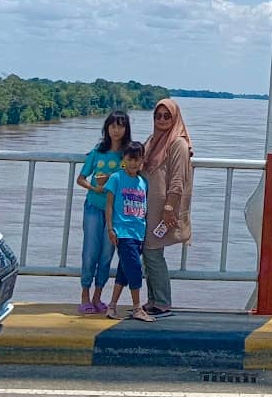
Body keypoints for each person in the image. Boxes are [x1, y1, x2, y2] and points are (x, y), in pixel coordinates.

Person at [140, 97, 194, 316]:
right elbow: (134, 162)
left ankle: (162, 301)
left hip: (162, 208)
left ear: (175, 118)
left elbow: (178, 180)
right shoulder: (152, 141)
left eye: (167, 116)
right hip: (145, 205)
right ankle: (153, 299)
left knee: (152, 252)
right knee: (147, 251)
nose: (162, 120)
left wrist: (169, 208)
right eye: (158, 116)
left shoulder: (178, 143)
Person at [75, 111, 130, 314]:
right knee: (90, 251)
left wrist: (113, 179)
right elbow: (81, 178)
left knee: (107, 254)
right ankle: (84, 296)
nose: (116, 130)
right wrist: (95, 188)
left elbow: (130, 177)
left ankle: (98, 296)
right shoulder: (98, 151)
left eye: (121, 126)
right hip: (93, 207)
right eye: (113, 126)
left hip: (115, 211)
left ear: (126, 129)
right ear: (107, 128)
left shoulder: (126, 155)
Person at [103, 143, 153, 321]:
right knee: (135, 269)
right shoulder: (116, 178)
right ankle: (137, 308)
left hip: (138, 233)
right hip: (122, 232)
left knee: (123, 272)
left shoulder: (142, 182)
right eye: (130, 159)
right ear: (124, 159)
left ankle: (112, 306)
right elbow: (108, 205)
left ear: (142, 160)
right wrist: (110, 228)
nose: (133, 163)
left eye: (137, 159)